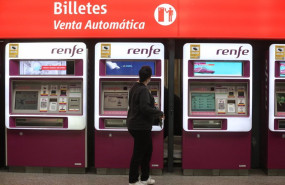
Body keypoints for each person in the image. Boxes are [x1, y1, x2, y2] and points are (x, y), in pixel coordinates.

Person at [127, 66, 164, 185]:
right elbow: (144, 108)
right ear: (149, 78)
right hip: (140, 126)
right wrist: (159, 113)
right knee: (138, 154)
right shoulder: (143, 89)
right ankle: (133, 180)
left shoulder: (134, 87)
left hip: (135, 124)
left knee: (147, 151)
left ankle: (145, 178)